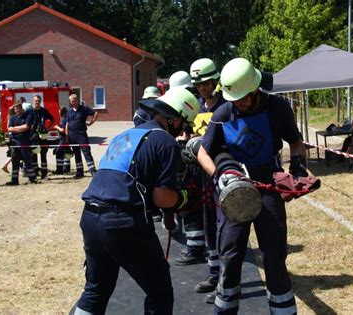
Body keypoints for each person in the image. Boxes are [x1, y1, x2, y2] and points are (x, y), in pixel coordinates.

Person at [73, 87, 200, 315]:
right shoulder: (165, 142)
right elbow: (162, 198)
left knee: (96, 290)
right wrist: (184, 198)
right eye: (184, 124)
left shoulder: (124, 135)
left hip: (90, 217)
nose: (183, 131)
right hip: (123, 222)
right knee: (159, 292)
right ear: (175, 118)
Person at [197, 58, 306, 314]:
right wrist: (219, 178)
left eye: (243, 98)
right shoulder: (224, 113)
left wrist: (298, 168)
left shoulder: (277, 108)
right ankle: (225, 309)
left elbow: (296, 142)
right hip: (235, 189)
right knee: (231, 253)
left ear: (255, 88)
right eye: (234, 98)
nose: (239, 104)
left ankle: (282, 310)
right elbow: (203, 153)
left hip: (268, 186)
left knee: (274, 254)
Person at [185, 58, 225, 295]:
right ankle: (213, 272)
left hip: (222, 172)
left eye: (206, 83)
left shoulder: (226, 105)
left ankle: (227, 277)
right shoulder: (196, 106)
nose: (202, 88)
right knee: (208, 223)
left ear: (216, 81)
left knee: (225, 228)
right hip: (200, 176)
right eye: (198, 84)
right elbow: (189, 132)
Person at [65, 94, 98, 178]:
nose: (72, 103)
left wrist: (91, 122)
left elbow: (95, 113)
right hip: (72, 136)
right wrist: (66, 136)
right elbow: (67, 124)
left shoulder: (84, 109)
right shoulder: (69, 111)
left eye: (74, 101)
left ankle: (93, 171)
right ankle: (79, 172)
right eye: (71, 101)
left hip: (81, 135)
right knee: (77, 154)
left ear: (77, 100)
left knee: (87, 153)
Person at [6, 101, 37, 185]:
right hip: (14, 143)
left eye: (18, 109)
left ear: (21, 109)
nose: (17, 110)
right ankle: (14, 180)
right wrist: (20, 129)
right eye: (16, 109)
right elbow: (9, 129)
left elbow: (26, 127)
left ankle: (32, 179)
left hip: (25, 142)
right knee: (15, 162)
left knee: (28, 161)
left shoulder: (28, 116)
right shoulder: (12, 118)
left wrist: (15, 128)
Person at [28, 95, 55, 179]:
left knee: (43, 155)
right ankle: (35, 173)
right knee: (33, 155)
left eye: (38, 101)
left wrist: (47, 128)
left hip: (43, 136)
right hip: (32, 136)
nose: (37, 102)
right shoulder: (29, 111)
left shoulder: (44, 111)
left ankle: (44, 174)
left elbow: (52, 120)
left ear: (40, 101)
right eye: (36, 101)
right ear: (33, 101)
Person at [54, 107, 72, 174]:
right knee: (67, 153)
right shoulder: (66, 119)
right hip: (65, 139)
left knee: (59, 152)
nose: (59, 113)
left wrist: (56, 127)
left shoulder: (64, 120)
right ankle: (66, 169)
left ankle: (59, 170)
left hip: (63, 139)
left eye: (59, 112)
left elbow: (63, 130)